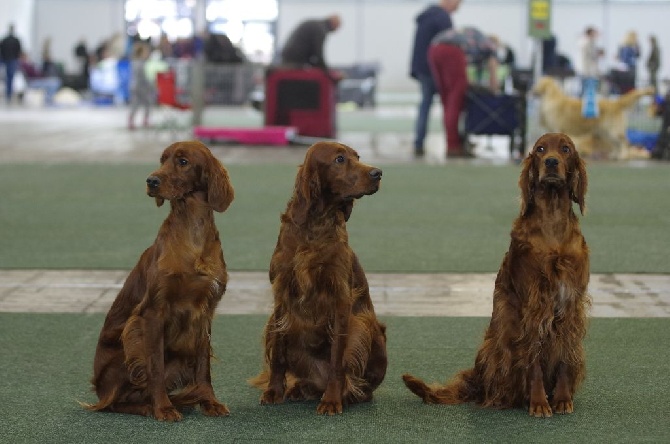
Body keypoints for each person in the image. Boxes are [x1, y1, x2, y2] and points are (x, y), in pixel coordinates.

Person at [428, 26, 499, 158]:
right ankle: (453, 146)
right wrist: (495, 91)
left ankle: (452, 142)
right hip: (451, 50)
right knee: (455, 101)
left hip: (433, 49)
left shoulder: (475, 38)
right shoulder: (490, 47)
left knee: (447, 100)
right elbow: (493, 77)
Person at [409, 0, 462, 157]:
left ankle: (419, 142)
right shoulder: (442, 18)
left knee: (425, 104)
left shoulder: (426, 16)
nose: (458, 8)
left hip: (422, 67)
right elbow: (450, 45)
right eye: (458, 4)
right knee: (450, 104)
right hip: (434, 69)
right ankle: (452, 143)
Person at [279, 14, 342, 81]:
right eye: (337, 27)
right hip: (294, 61)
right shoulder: (321, 29)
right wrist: (328, 73)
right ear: (334, 23)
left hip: (290, 56)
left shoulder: (316, 25)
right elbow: (318, 54)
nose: (336, 30)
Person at [127, 42, 154, 130]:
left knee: (135, 104)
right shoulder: (141, 64)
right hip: (141, 87)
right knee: (148, 103)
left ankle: (131, 120)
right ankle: (145, 120)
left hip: (133, 85)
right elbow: (142, 77)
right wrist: (151, 85)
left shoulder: (133, 62)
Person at [0, 24, 23, 103]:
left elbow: (1, 49)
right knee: (10, 78)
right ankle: (9, 94)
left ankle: (8, 94)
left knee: (7, 78)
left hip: (6, 59)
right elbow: (19, 51)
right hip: (12, 60)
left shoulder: (4, 39)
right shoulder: (16, 40)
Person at [579, 26, 603, 95]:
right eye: (595, 33)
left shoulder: (587, 42)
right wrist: (598, 53)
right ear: (590, 33)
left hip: (588, 69)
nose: (596, 35)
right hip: (587, 69)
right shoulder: (587, 42)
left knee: (586, 89)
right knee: (586, 89)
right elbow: (592, 55)